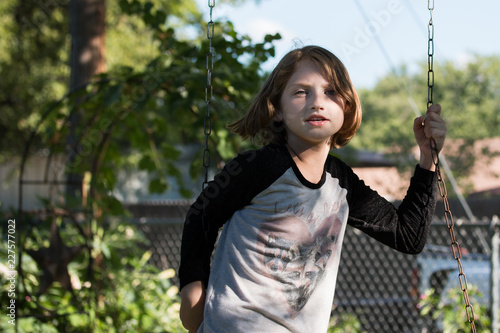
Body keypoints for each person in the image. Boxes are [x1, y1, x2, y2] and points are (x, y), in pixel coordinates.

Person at [178, 45, 446, 332]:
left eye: (330, 92)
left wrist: (428, 158)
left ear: (347, 106)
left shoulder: (342, 184)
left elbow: (408, 236)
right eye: (300, 92)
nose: (317, 102)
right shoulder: (256, 167)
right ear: (277, 110)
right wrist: (193, 291)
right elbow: (201, 216)